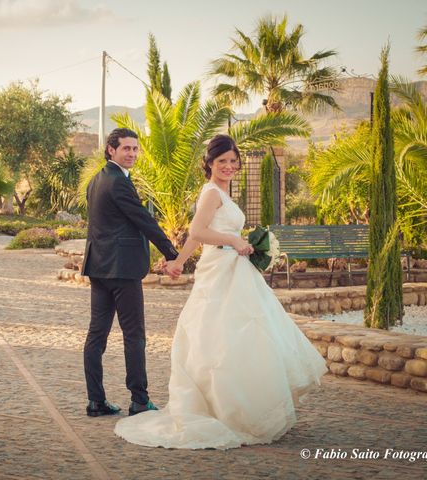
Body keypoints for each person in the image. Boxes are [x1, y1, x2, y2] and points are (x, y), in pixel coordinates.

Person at [114, 134, 327, 448]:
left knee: (243, 335)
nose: (228, 166)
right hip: (220, 271)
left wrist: (177, 262)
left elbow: (196, 238)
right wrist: (234, 240)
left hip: (233, 269)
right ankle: (223, 410)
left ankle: (244, 407)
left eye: (232, 161)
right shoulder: (211, 192)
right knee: (217, 337)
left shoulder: (223, 191)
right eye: (221, 161)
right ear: (210, 164)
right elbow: (198, 231)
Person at [82, 128, 179, 417]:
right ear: (111, 150)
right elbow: (143, 220)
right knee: (134, 335)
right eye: (126, 148)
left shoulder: (96, 180)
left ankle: (96, 401)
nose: (133, 154)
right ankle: (139, 400)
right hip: (122, 270)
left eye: (136, 149)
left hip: (99, 267)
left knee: (96, 335)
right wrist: (172, 252)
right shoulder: (118, 183)